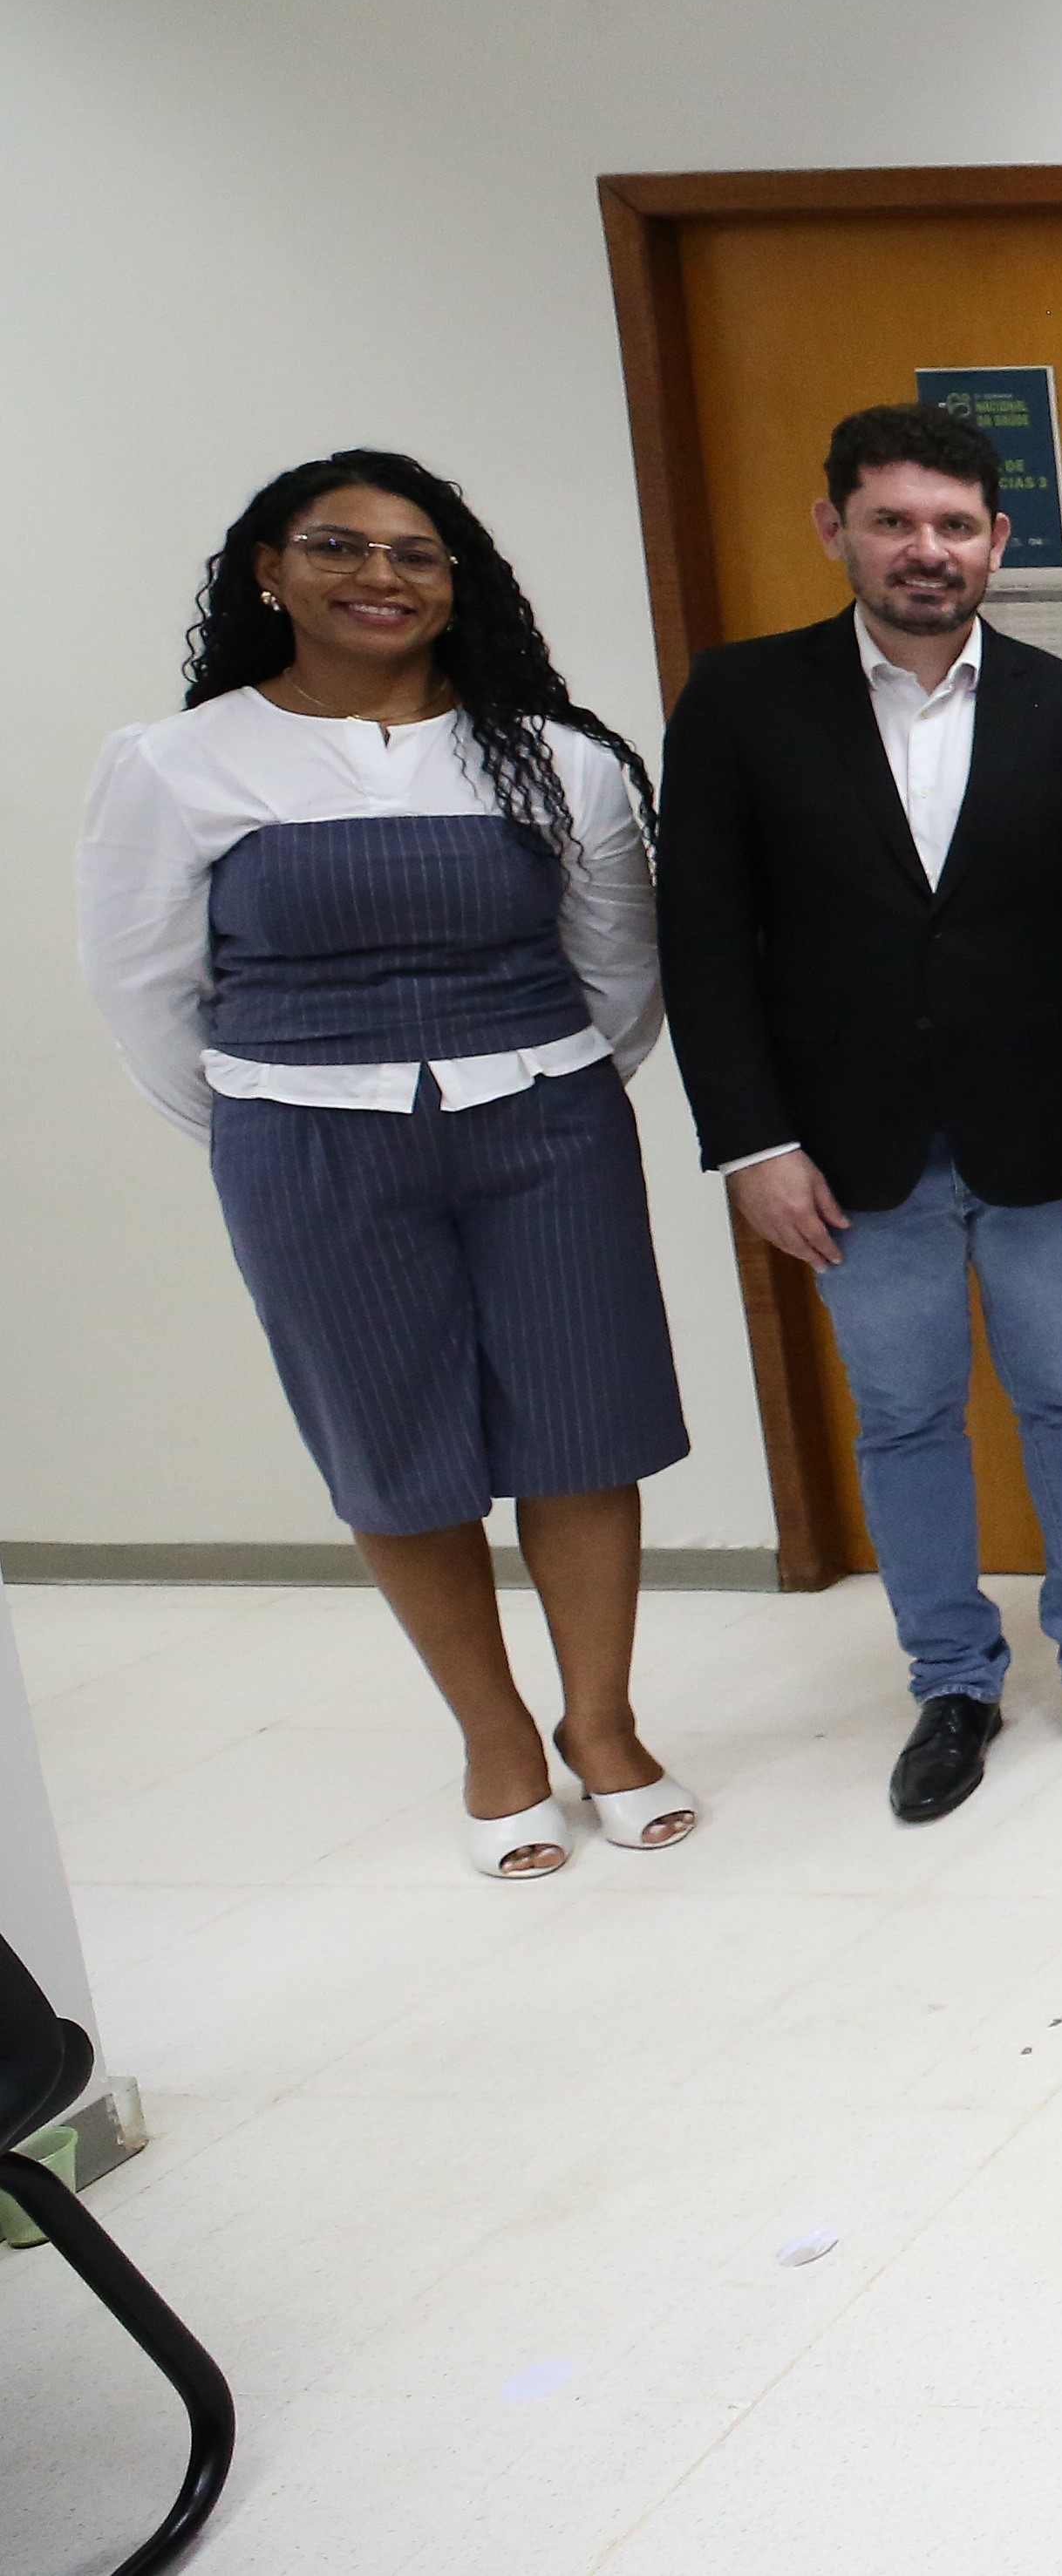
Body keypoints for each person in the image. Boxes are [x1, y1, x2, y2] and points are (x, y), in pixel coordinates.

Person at [79, 452, 696, 1880]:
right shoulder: (181, 762)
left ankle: (600, 1724)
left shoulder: (557, 757)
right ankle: (494, 1740)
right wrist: (283, 1115)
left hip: (545, 1125)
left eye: (417, 554)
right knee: (396, 1447)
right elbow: (145, 992)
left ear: (455, 583)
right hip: (308, 1144)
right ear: (267, 572)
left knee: (585, 1429)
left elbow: (617, 969)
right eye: (339, 547)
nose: (381, 577)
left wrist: (525, 1080)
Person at [658, 403, 1062, 1824]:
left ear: (997, 542)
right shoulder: (741, 701)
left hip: (1050, 1138)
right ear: (832, 526)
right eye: (893, 520)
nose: (925, 549)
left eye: (955, 524)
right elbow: (702, 943)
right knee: (902, 1418)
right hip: (847, 1152)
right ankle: (951, 1679)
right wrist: (752, 1144)